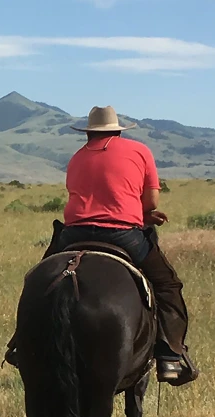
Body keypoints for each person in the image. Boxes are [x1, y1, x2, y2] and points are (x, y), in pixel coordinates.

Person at [34, 106, 198, 385]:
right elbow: (151, 202)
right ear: (119, 131)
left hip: (73, 234)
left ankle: (22, 343)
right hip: (123, 235)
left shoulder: (76, 158)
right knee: (167, 285)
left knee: (38, 280)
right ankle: (169, 355)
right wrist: (142, 215)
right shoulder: (139, 151)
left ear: (88, 133)